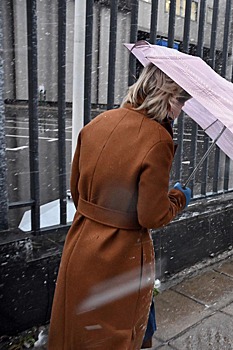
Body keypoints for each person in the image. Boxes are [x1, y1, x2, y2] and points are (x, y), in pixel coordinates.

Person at [48, 64, 192, 349]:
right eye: (180, 101)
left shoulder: (99, 122)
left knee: (78, 329)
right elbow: (151, 215)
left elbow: (77, 192)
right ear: (165, 95)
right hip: (121, 256)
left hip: (80, 243)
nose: (180, 111)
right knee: (116, 333)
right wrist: (178, 198)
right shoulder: (158, 139)